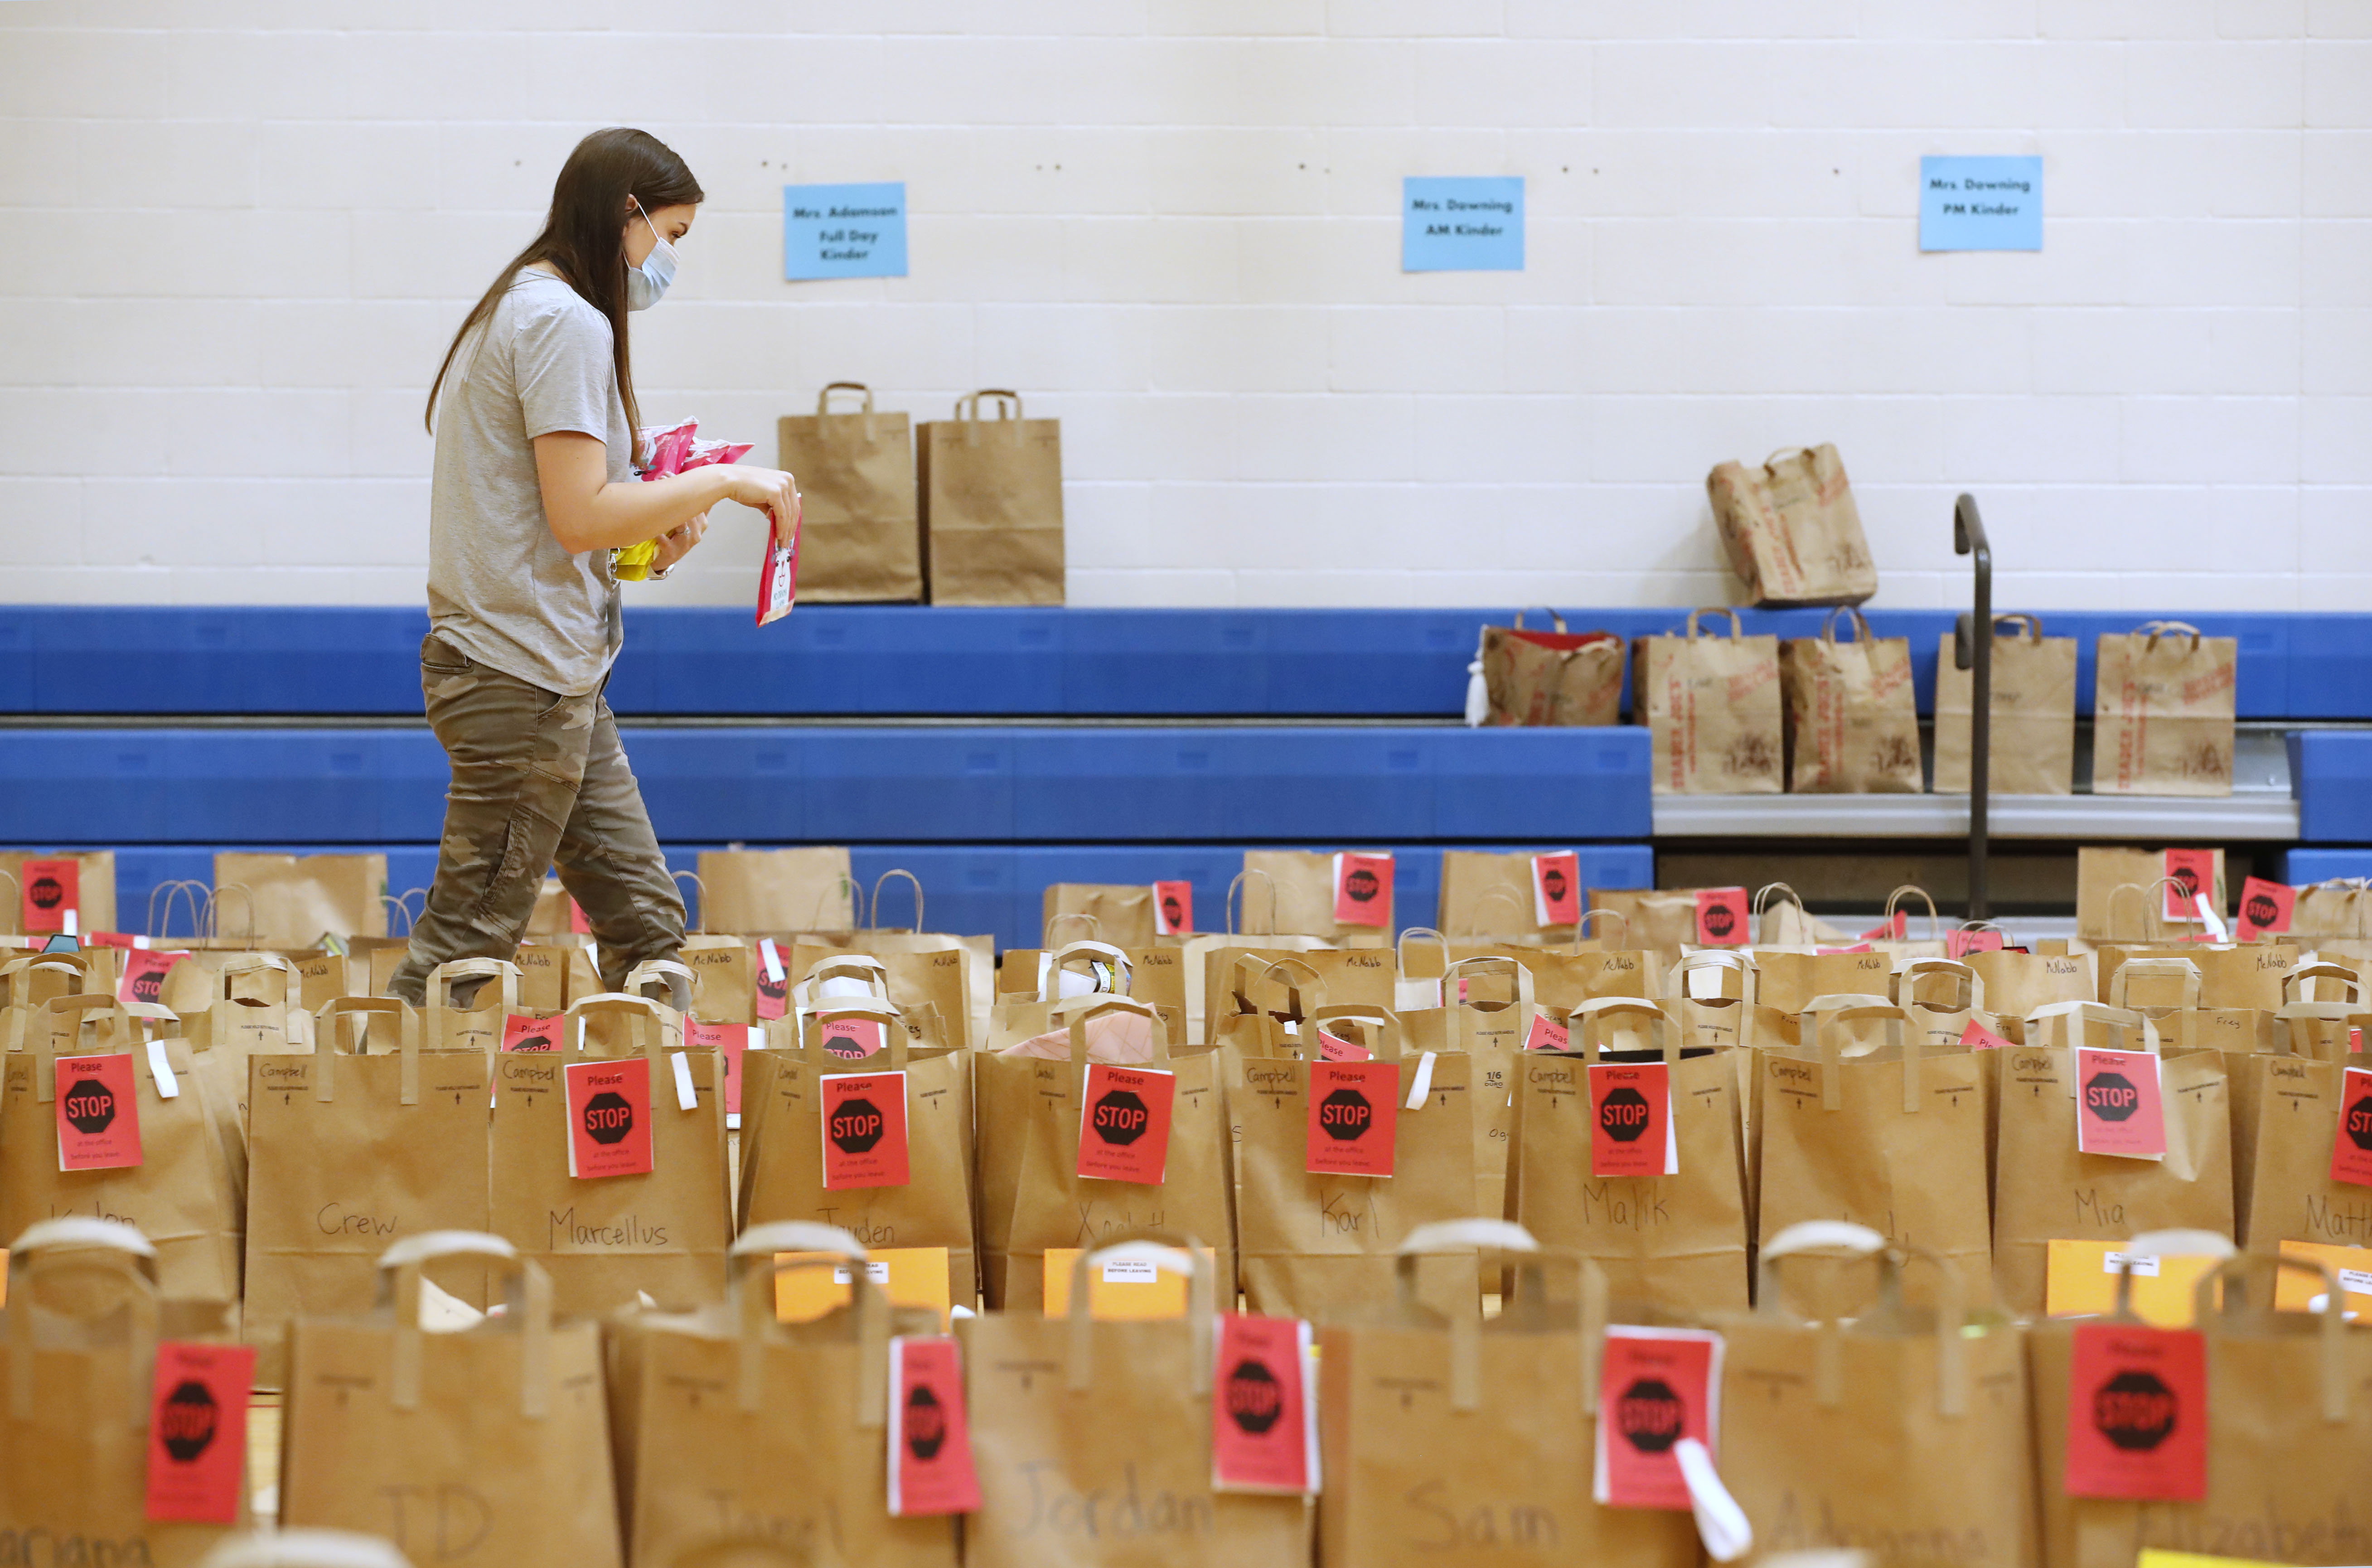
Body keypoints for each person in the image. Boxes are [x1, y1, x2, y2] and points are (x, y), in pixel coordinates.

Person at [389, 127, 800, 1007]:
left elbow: (562, 518)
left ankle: (655, 1136)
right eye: (671, 236)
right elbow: (580, 518)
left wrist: (651, 536)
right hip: (517, 677)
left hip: (555, 678)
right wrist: (721, 482)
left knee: (649, 932)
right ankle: (371, 1130)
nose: (665, 261)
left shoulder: (526, 306)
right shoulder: (561, 320)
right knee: (463, 948)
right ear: (628, 212)